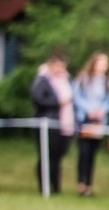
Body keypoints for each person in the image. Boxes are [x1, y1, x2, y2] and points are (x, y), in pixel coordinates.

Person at [28, 49, 76, 193]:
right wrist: (58, 102)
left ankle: (55, 186)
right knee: (46, 156)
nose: (60, 69)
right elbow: (38, 98)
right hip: (47, 122)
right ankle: (44, 186)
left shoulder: (68, 80)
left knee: (57, 157)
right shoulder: (42, 80)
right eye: (57, 66)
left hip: (64, 123)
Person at [71, 51, 109, 197]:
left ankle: (89, 185)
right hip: (85, 119)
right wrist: (89, 110)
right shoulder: (83, 79)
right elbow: (76, 97)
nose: (103, 66)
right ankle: (81, 183)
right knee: (83, 152)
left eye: (105, 63)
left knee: (92, 154)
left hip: (98, 121)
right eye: (100, 62)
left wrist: (102, 111)